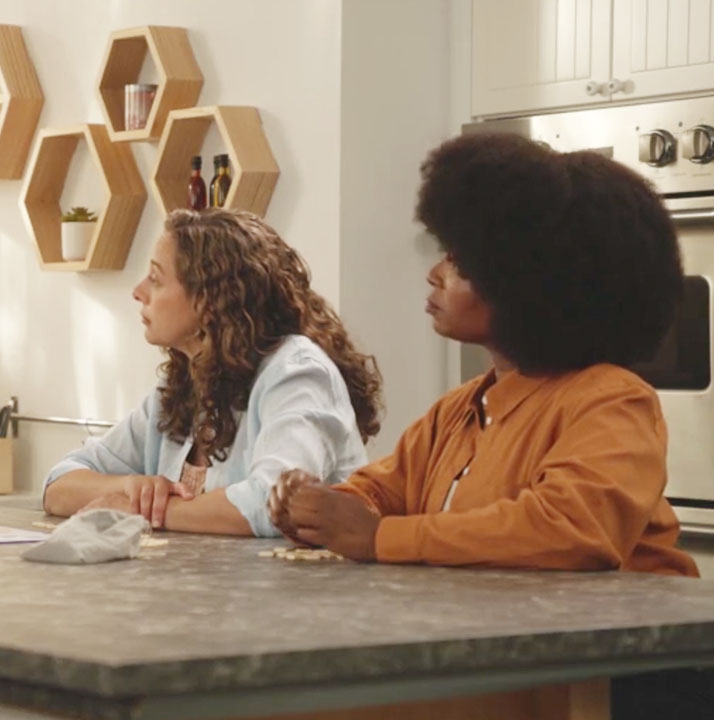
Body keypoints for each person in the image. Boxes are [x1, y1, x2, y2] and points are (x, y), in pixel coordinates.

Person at [269, 133, 698, 577]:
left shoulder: (611, 400)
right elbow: (379, 492)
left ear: (534, 280)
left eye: (462, 261)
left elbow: (571, 530)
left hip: (630, 644)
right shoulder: (459, 410)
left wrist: (379, 538)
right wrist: (316, 510)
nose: (435, 275)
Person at [41, 208, 382, 536]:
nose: (138, 291)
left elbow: (276, 504)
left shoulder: (298, 372)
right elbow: (59, 482)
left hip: (305, 594)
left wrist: (145, 510)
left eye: (156, 279)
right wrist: (131, 487)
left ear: (210, 301)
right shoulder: (184, 385)